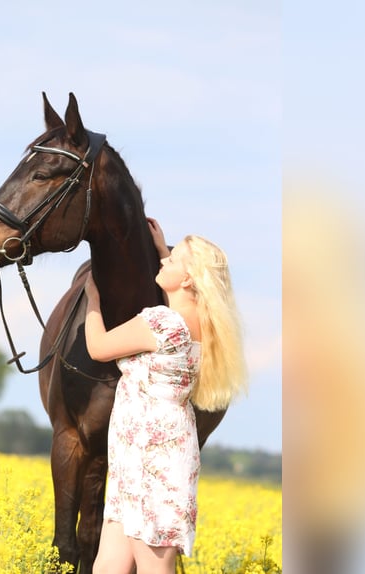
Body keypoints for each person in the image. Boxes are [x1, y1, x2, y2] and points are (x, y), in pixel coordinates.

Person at [84, 218, 248, 574]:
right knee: (108, 566)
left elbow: (98, 347)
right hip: (144, 456)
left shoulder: (161, 322)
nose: (163, 261)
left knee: (151, 568)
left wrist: (93, 301)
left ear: (188, 278)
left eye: (172, 260)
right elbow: (180, 305)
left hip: (149, 461)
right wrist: (162, 250)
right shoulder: (199, 324)